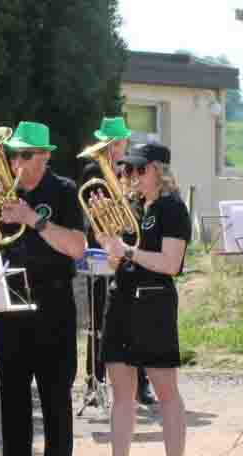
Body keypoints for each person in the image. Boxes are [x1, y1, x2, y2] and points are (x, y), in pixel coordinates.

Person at [0, 121, 86, 456]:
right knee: (13, 395)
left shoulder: (64, 191)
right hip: (11, 300)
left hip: (53, 300)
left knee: (56, 392)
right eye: (12, 155)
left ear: (45, 156)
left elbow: (76, 247)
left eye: (25, 155)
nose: (16, 162)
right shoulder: (5, 193)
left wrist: (32, 220)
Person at [89, 142, 191, 456]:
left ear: (157, 170)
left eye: (137, 170)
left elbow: (171, 263)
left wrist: (128, 251)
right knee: (121, 395)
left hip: (154, 302)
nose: (129, 176)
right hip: (121, 300)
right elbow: (119, 260)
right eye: (127, 171)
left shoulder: (172, 208)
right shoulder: (131, 206)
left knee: (166, 393)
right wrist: (108, 244)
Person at [78, 116, 156, 405]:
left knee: (136, 320)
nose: (114, 149)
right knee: (97, 321)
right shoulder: (91, 170)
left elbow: (140, 210)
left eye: (119, 143)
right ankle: (93, 383)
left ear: (125, 143)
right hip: (100, 250)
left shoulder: (133, 170)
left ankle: (140, 383)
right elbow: (89, 208)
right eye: (109, 144)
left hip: (129, 252)